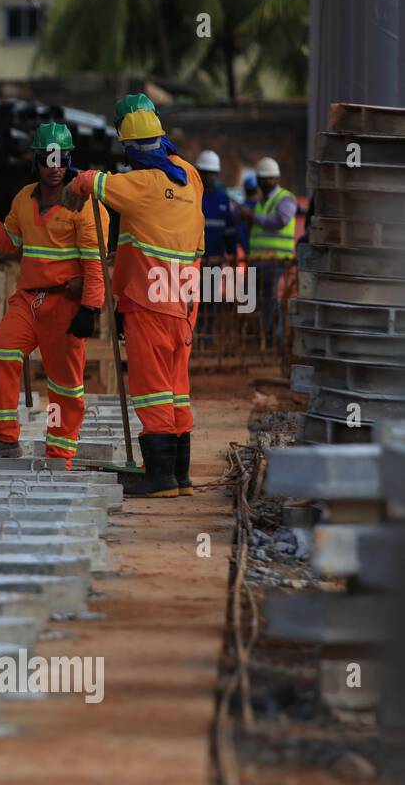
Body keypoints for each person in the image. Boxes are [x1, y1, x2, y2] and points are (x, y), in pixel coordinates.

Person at [64, 94, 205, 498]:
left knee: (152, 387)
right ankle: (179, 475)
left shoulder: (141, 182)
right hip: (182, 302)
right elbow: (198, 247)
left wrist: (75, 182)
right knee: (177, 386)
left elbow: (94, 181)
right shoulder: (190, 176)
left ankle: (159, 475)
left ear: (129, 148)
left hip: (148, 301)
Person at [0, 123, 107, 466]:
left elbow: (94, 262)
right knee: (0, 352)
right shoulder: (24, 198)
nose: (55, 166)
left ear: (69, 159)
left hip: (67, 305)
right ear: (38, 161)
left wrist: (90, 307)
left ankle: (59, 453)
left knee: (64, 386)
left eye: (61, 159)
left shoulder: (82, 203)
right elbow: (10, 242)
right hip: (29, 301)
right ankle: (3, 439)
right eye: (48, 159)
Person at [235, 156, 296, 350]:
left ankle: (273, 337)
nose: (263, 182)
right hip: (259, 261)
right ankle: (258, 335)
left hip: (276, 261)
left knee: (271, 300)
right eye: (262, 179)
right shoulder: (262, 202)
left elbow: (281, 221)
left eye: (267, 179)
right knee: (252, 299)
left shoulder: (285, 199)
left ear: (275, 179)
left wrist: (253, 216)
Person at [194, 150, 236, 345]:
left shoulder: (222, 199)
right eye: (206, 173)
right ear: (199, 172)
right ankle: (194, 337)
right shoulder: (192, 196)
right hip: (193, 261)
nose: (209, 177)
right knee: (193, 301)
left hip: (215, 260)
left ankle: (207, 337)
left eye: (212, 173)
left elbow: (229, 230)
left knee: (210, 301)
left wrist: (232, 253)